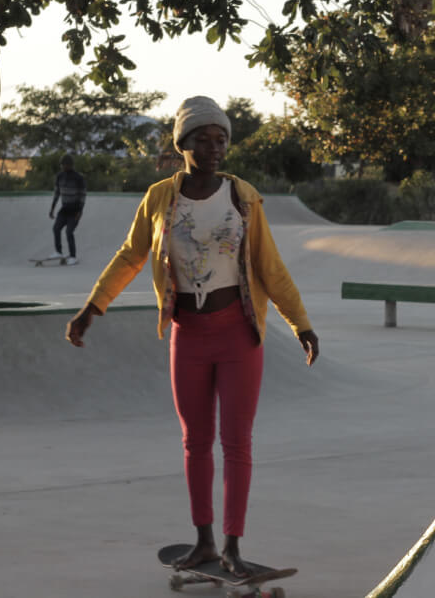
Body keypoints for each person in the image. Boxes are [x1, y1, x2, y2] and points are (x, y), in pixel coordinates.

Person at [65, 96, 320, 577]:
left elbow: (270, 266)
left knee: (237, 442)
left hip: (238, 335)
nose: (214, 147)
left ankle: (233, 545)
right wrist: (92, 308)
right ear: (183, 144)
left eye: (221, 138)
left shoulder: (242, 196)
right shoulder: (161, 197)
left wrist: (300, 323)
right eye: (203, 139)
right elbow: (130, 256)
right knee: (195, 442)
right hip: (188, 333)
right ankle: (203, 541)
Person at [49, 154, 86, 265]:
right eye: (62, 165)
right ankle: (58, 252)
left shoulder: (78, 177)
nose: (63, 167)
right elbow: (57, 193)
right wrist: (52, 209)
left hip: (75, 210)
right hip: (64, 209)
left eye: (65, 165)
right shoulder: (60, 176)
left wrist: (80, 211)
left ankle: (73, 256)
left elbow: (82, 196)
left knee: (69, 232)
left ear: (70, 165)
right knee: (56, 228)